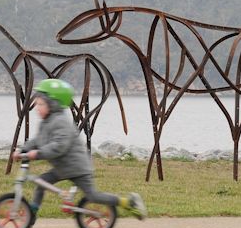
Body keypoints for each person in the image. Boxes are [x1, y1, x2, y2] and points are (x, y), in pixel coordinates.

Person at [13, 78, 146, 219]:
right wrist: (23, 150)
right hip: (62, 168)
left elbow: (59, 147)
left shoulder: (61, 122)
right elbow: (37, 140)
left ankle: (128, 202)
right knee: (41, 182)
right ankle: (31, 213)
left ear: (53, 104)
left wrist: (37, 154)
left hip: (78, 168)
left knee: (93, 196)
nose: (37, 107)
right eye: (37, 103)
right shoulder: (46, 123)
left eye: (41, 104)